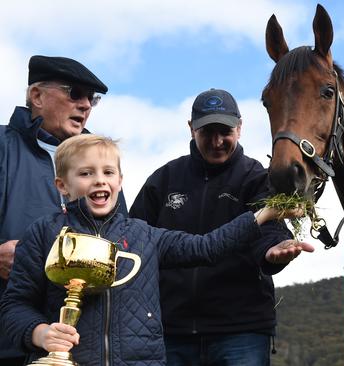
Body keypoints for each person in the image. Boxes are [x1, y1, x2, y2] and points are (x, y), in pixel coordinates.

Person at [0, 134, 312, 365]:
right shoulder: (42, 234)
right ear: (62, 185)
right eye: (86, 173)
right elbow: (14, 305)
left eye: (108, 173)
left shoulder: (145, 235)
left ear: (120, 181)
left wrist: (264, 215)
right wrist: (38, 332)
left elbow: (207, 247)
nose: (100, 181)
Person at [129, 88, 307, 366]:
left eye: (224, 131)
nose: (217, 141)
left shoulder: (256, 177)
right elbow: (134, 239)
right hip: (171, 331)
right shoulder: (163, 180)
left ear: (239, 127)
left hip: (240, 331)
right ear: (191, 129)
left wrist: (273, 250)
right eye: (206, 132)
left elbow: (269, 228)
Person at [0, 55, 127, 366]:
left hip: (87, 346)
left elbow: (124, 240)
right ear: (37, 96)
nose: (85, 105)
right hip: (10, 342)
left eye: (91, 98)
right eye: (74, 93)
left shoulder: (101, 165)